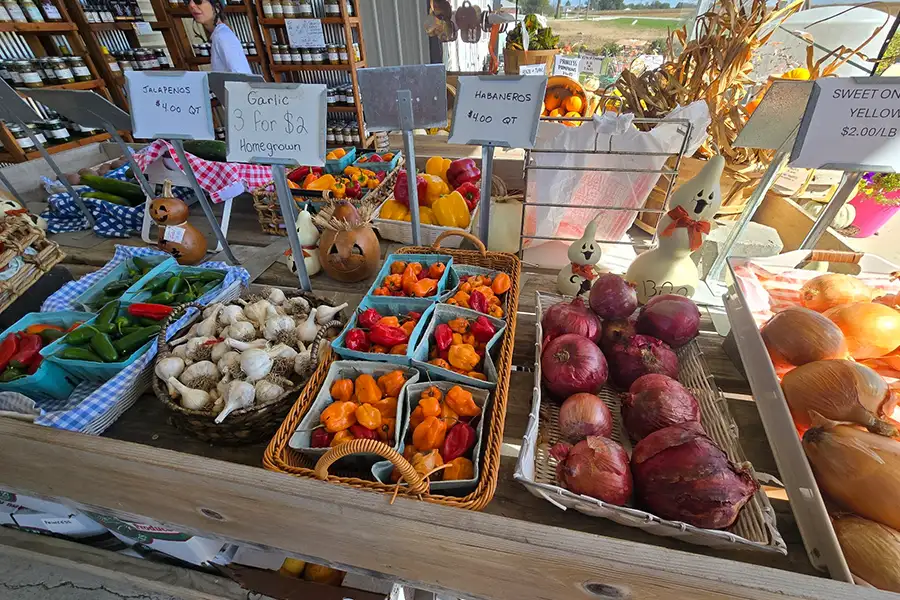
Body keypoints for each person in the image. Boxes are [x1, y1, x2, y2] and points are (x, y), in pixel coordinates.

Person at [186, 0, 252, 74]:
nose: (191, 5)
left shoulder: (223, 36)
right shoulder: (218, 34)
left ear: (216, 7)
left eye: (198, 1)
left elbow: (242, 76)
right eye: (188, 1)